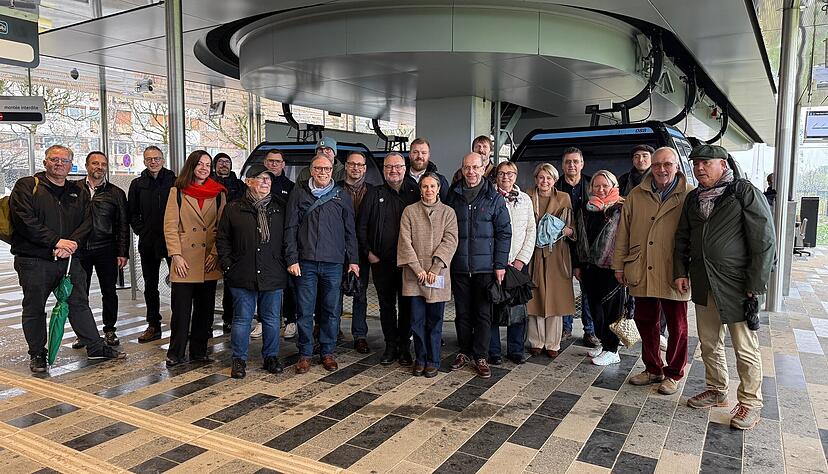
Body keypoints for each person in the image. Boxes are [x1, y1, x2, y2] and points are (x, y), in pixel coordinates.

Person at [674, 144, 775, 430]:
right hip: (704, 281)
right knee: (708, 342)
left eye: (706, 162)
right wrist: (680, 271)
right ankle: (717, 389)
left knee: (744, 347)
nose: (699, 168)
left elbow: (764, 240)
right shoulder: (694, 198)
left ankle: (750, 403)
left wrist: (755, 284)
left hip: (737, 284)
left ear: (722, 164)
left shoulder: (743, 192)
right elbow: (682, 238)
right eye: (696, 163)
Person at [10, 145, 126, 372]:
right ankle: (37, 354)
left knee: (79, 304)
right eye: (54, 159)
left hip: (69, 260)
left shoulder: (77, 191)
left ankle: (95, 347)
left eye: (64, 160)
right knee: (34, 308)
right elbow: (24, 221)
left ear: (71, 164)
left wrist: (71, 244)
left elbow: (87, 222)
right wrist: (56, 242)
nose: (59, 163)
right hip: (35, 261)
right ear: (45, 162)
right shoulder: (27, 186)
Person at [614, 147, 692, 395]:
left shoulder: (689, 194)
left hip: (674, 270)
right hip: (641, 266)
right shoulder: (637, 194)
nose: (661, 169)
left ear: (676, 166)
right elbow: (623, 232)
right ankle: (652, 368)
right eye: (657, 165)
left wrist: (690, 269)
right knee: (645, 321)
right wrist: (619, 264)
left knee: (678, 325)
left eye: (667, 164)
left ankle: (674, 372)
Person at [286, 154, 360, 374]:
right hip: (306, 263)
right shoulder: (298, 194)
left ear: (332, 171)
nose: (323, 173)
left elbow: (350, 232)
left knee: (331, 310)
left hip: (333, 264)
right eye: (318, 169)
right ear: (311, 170)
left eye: (327, 169)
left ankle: (327, 352)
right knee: (305, 311)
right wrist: (292, 258)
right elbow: (290, 228)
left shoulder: (341, 195)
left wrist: (353, 261)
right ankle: (305, 353)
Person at [217, 164, 288, 379]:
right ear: (248, 181)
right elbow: (222, 238)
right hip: (242, 272)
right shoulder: (234, 207)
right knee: (242, 319)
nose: (266, 182)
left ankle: (271, 357)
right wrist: (229, 265)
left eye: (268, 179)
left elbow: (288, 238)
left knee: (272, 319)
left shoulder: (279, 206)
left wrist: (284, 263)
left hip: (273, 272)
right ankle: (239, 359)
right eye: (260, 178)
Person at [446, 152, 511, 378]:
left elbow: (504, 233)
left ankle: (481, 355)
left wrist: (500, 264)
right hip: (459, 266)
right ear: (462, 169)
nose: (471, 172)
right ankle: (464, 351)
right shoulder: (452, 195)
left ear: (484, 169)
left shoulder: (494, 198)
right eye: (467, 168)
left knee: (484, 314)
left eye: (475, 167)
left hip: (485, 267)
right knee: (462, 313)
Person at [163, 150, 226, 366]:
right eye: (200, 164)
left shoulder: (218, 193)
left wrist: (216, 253)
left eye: (208, 165)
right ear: (192, 165)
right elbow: (170, 227)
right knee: (180, 311)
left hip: (208, 259)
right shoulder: (178, 191)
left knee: (204, 310)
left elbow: (223, 228)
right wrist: (176, 256)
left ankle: (199, 351)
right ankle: (175, 353)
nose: (204, 168)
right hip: (185, 260)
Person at [358, 152, 419, 365]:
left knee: (407, 305)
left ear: (405, 168)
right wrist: (368, 252)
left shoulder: (415, 191)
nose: (393, 170)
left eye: (398, 166)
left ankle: (405, 347)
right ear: (384, 170)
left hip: (408, 263)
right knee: (386, 306)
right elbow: (362, 226)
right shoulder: (374, 194)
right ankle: (390, 346)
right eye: (389, 167)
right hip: (381, 262)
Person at [398, 173, 458, 377]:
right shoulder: (409, 212)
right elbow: (404, 242)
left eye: (432, 186)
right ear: (420, 189)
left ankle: (433, 359)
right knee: (416, 321)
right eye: (425, 186)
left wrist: (434, 268)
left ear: (439, 188)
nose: (429, 190)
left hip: (437, 275)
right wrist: (418, 270)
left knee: (435, 321)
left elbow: (450, 241)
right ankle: (420, 358)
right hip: (415, 276)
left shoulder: (448, 213)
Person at [73, 151, 129, 349]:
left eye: (103, 164)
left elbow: (123, 223)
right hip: (79, 250)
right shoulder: (74, 189)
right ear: (87, 165)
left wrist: (123, 252)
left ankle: (110, 329)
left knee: (109, 291)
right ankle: (84, 333)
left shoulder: (115, 193)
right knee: (80, 293)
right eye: (95, 163)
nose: (99, 167)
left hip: (106, 248)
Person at [574, 170, 624, 366]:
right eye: (597, 186)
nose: (601, 189)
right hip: (590, 266)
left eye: (605, 185)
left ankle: (613, 349)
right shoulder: (586, 208)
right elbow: (580, 238)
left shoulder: (621, 207)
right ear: (591, 187)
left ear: (613, 186)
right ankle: (604, 344)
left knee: (612, 309)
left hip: (612, 268)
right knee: (596, 308)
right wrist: (578, 264)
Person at [526, 163, 576, 359]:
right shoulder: (528, 195)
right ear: (536, 178)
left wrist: (568, 231)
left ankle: (553, 342)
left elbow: (573, 226)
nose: (544, 181)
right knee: (535, 295)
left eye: (548, 178)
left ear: (555, 180)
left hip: (557, 253)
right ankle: (536, 341)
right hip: (534, 252)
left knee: (555, 297)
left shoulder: (564, 197)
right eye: (541, 177)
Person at [488, 161, 536, 365]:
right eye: (501, 173)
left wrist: (521, 259)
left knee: (517, 308)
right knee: (491, 307)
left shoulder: (525, 199)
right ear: (496, 176)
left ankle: (516, 349)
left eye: (510, 173)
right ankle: (493, 351)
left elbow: (530, 231)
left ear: (516, 176)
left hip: (517, 263)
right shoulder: (489, 197)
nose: (505, 177)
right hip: (493, 262)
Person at [129, 146, 176, 343]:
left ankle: (180, 324)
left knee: (179, 284)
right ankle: (153, 325)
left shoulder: (174, 181)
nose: (153, 162)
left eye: (157, 158)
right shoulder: (138, 184)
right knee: (150, 285)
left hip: (172, 241)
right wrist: (142, 230)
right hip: (148, 242)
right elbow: (132, 212)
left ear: (163, 160)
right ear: (144, 161)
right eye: (149, 159)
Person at [556, 147, 598, 347]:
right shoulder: (555, 186)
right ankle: (566, 327)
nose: (571, 165)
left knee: (588, 289)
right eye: (567, 162)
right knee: (564, 287)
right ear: (562, 165)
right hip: (561, 245)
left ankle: (589, 330)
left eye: (575, 161)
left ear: (582, 164)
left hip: (586, 245)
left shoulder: (592, 185)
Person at [263, 149, 297, 339]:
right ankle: (263, 320)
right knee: (264, 283)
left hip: (284, 242)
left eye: (278, 161)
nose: (274, 164)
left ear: (283, 164)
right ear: (265, 163)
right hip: (263, 243)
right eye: (270, 161)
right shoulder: (256, 184)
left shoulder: (290, 187)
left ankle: (290, 320)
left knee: (289, 284)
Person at [212, 152, 246, 334]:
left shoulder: (239, 186)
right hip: (208, 237)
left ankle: (229, 318)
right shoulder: (208, 183)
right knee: (207, 282)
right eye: (220, 162)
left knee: (230, 281)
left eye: (227, 162)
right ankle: (206, 319)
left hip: (232, 238)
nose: (223, 165)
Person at [343, 151, 373, 353]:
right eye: (352, 164)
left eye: (360, 165)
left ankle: (360, 334)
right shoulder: (335, 190)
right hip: (337, 250)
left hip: (363, 250)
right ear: (345, 166)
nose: (356, 168)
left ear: (365, 168)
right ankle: (329, 331)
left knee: (360, 293)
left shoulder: (372, 192)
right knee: (332, 293)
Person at [405, 138, 449, 202]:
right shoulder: (400, 179)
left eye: (424, 153)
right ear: (409, 155)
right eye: (415, 152)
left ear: (429, 155)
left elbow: (446, 208)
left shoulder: (440, 180)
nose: (419, 156)